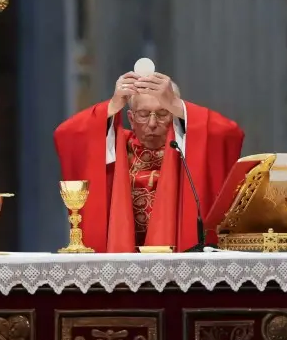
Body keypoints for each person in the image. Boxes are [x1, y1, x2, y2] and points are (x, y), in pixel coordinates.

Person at [53, 69, 244, 252]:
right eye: (143, 115)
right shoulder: (115, 146)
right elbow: (68, 134)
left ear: (174, 115)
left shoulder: (187, 147)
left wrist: (178, 106)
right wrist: (111, 106)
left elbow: (229, 134)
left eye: (162, 114)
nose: (152, 123)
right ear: (131, 118)